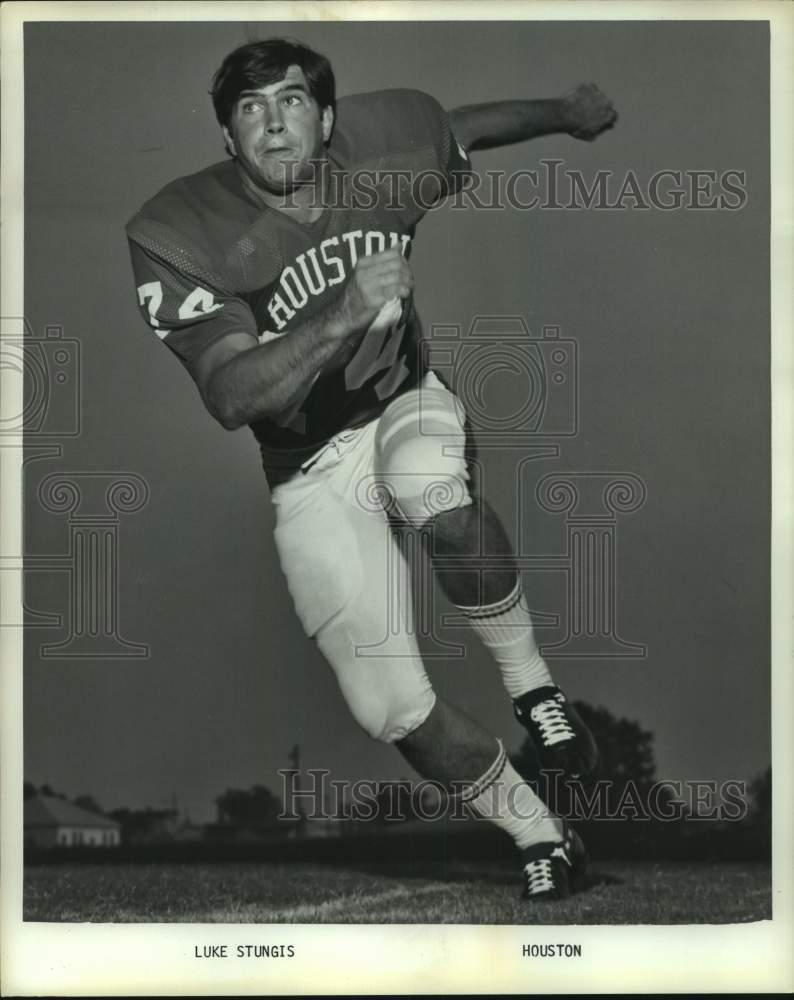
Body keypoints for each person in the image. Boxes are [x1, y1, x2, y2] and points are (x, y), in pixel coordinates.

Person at [126, 37, 617, 900]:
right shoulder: (180, 232)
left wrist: (565, 116)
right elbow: (232, 394)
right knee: (389, 707)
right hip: (307, 462)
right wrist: (342, 316)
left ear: (328, 117)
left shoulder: (386, 145)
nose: (273, 124)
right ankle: (544, 835)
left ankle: (535, 691)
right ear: (227, 139)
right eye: (249, 110)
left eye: (289, 101)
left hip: (403, 402)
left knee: (429, 488)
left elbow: (460, 131)